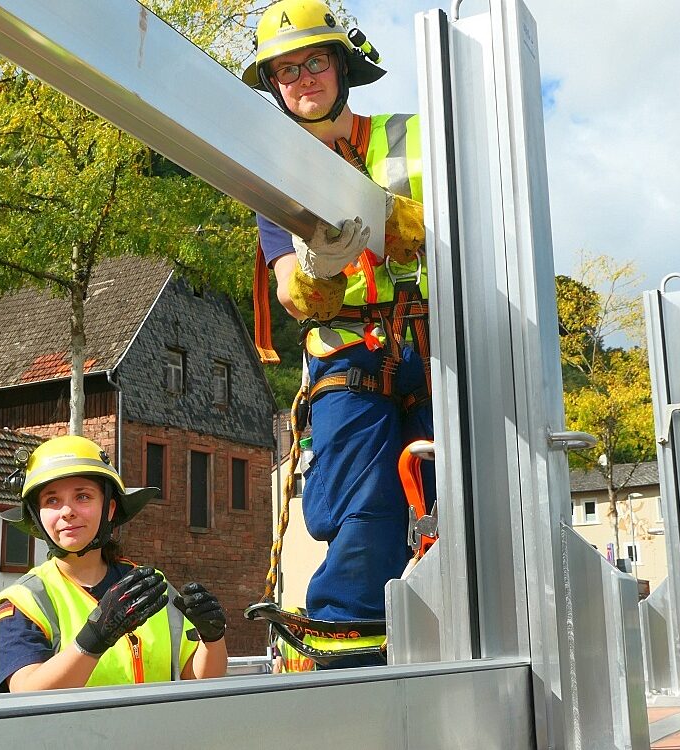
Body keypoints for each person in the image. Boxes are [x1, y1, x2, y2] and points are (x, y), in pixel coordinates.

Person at [243, 0, 432, 667]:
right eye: (285, 70)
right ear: (273, 85)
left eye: (314, 61)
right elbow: (293, 292)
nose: (302, 79)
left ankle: (457, 616)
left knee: (465, 497)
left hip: (438, 347)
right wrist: (321, 266)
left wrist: (420, 230)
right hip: (348, 353)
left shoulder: (413, 138)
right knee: (364, 504)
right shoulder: (276, 177)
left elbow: (485, 228)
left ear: (341, 64)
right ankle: (341, 649)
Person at [0, 435, 228, 692]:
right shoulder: (25, 602)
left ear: (109, 509)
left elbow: (197, 680)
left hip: (157, 739)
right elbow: (27, 691)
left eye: (83, 496)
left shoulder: (151, 587)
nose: (67, 511)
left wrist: (212, 639)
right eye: (52, 500)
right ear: (37, 515)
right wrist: (94, 637)